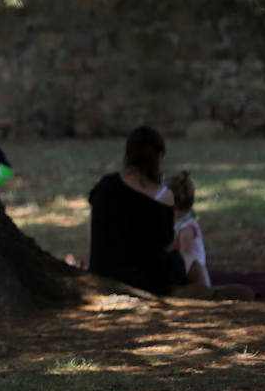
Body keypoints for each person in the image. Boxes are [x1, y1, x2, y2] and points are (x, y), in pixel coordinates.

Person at [86, 126, 187, 294]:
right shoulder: (163, 196)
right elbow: (167, 244)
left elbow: (92, 234)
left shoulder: (105, 184)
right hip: (143, 279)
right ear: (158, 157)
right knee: (178, 263)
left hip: (102, 272)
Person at [166, 171, 255, 301]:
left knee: (197, 277)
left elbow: (187, 256)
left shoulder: (186, 227)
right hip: (184, 268)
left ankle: (206, 292)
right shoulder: (176, 223)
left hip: (193, 270)